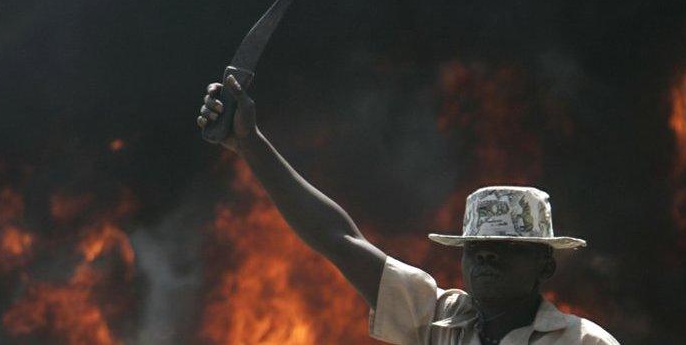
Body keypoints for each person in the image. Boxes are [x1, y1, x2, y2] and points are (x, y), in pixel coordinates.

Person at [196, 75, 619, 345]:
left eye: (506, 246)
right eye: (476, 246)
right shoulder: (440, 321)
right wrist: (250, 143)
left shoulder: (583, 343)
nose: (486, 255)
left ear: (545, 266)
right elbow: (337, 239)